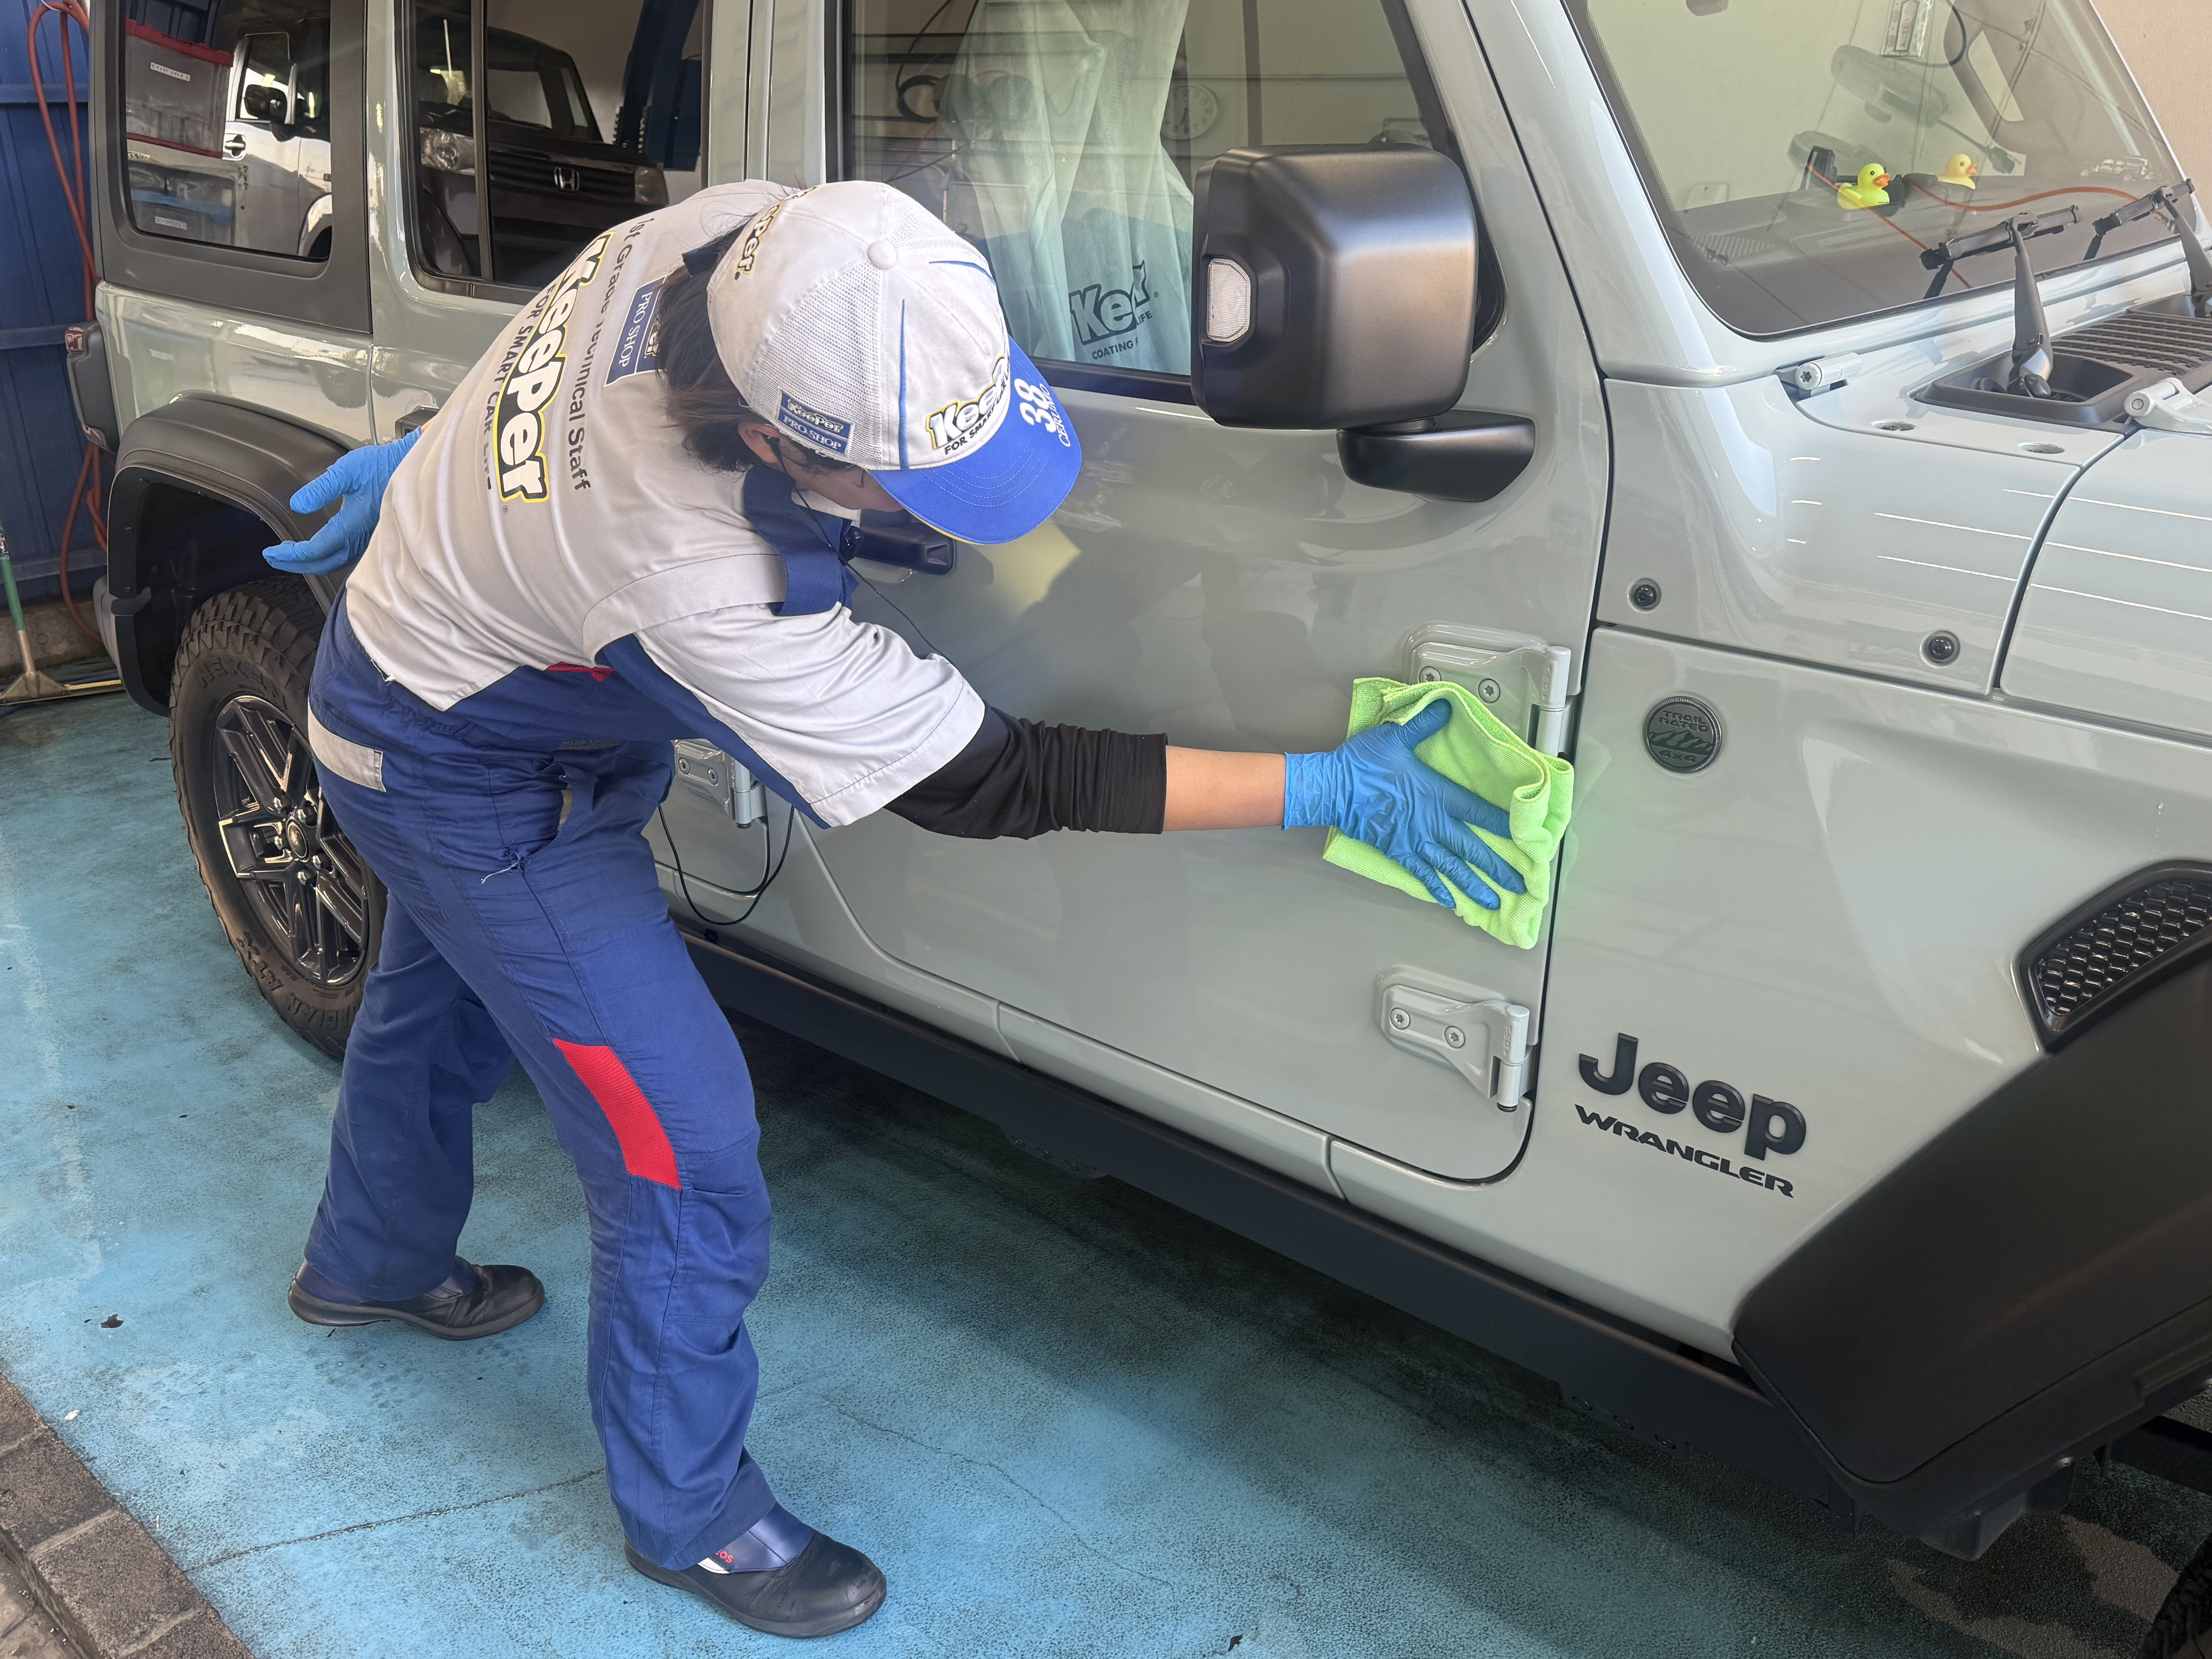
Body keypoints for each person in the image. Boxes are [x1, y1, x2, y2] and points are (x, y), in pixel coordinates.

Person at [263, 179, 1521, 1639]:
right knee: (682, 1146)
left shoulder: (756, 244)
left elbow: (542, 376)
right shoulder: (697, 575)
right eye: (902, 485)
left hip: (455, 659)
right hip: (462, 776)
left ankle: (370, 1263)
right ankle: (691, 1516)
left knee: (440, 1001)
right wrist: (1326, 788)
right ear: (774, 441)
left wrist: (433, 469)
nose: (933, 515)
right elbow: (993, 780)